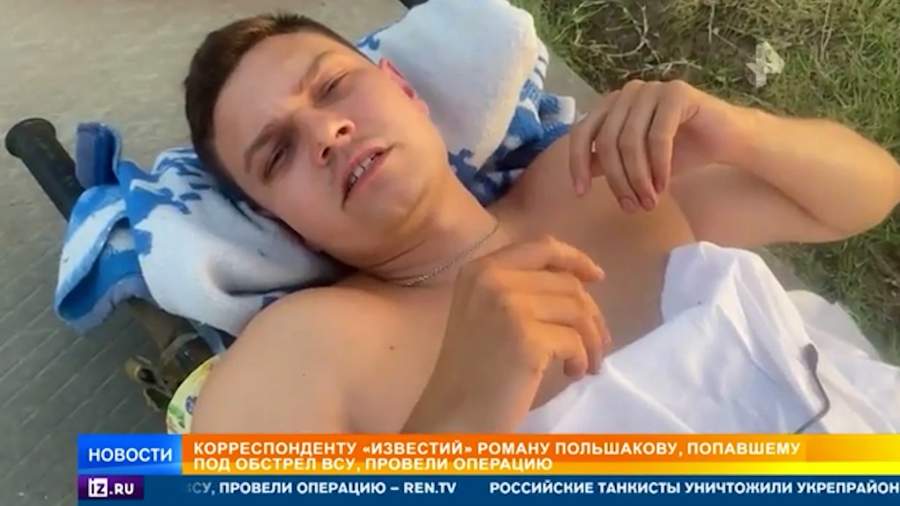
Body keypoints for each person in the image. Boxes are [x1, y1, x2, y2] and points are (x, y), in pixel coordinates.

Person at [183, 13, 900, 433]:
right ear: (288, 227)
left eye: (335, 86)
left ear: (404, 90)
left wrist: (740, 131)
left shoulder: (596, 177)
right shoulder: (312, 344)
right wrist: (461, 418)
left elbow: (866, 195)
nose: (326, 132)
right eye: (278, 153)